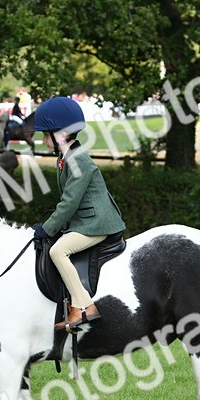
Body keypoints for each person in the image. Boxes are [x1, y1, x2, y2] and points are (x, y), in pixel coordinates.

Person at [30, 96, 125, 331]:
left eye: (46, 135)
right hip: (85, 221)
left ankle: (83, 306)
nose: (43, 141)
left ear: (61, 134)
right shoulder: (66, 157)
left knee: (58, 251)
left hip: (96, 223)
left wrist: (47, 228)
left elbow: (69, 202)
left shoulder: (78, 160)